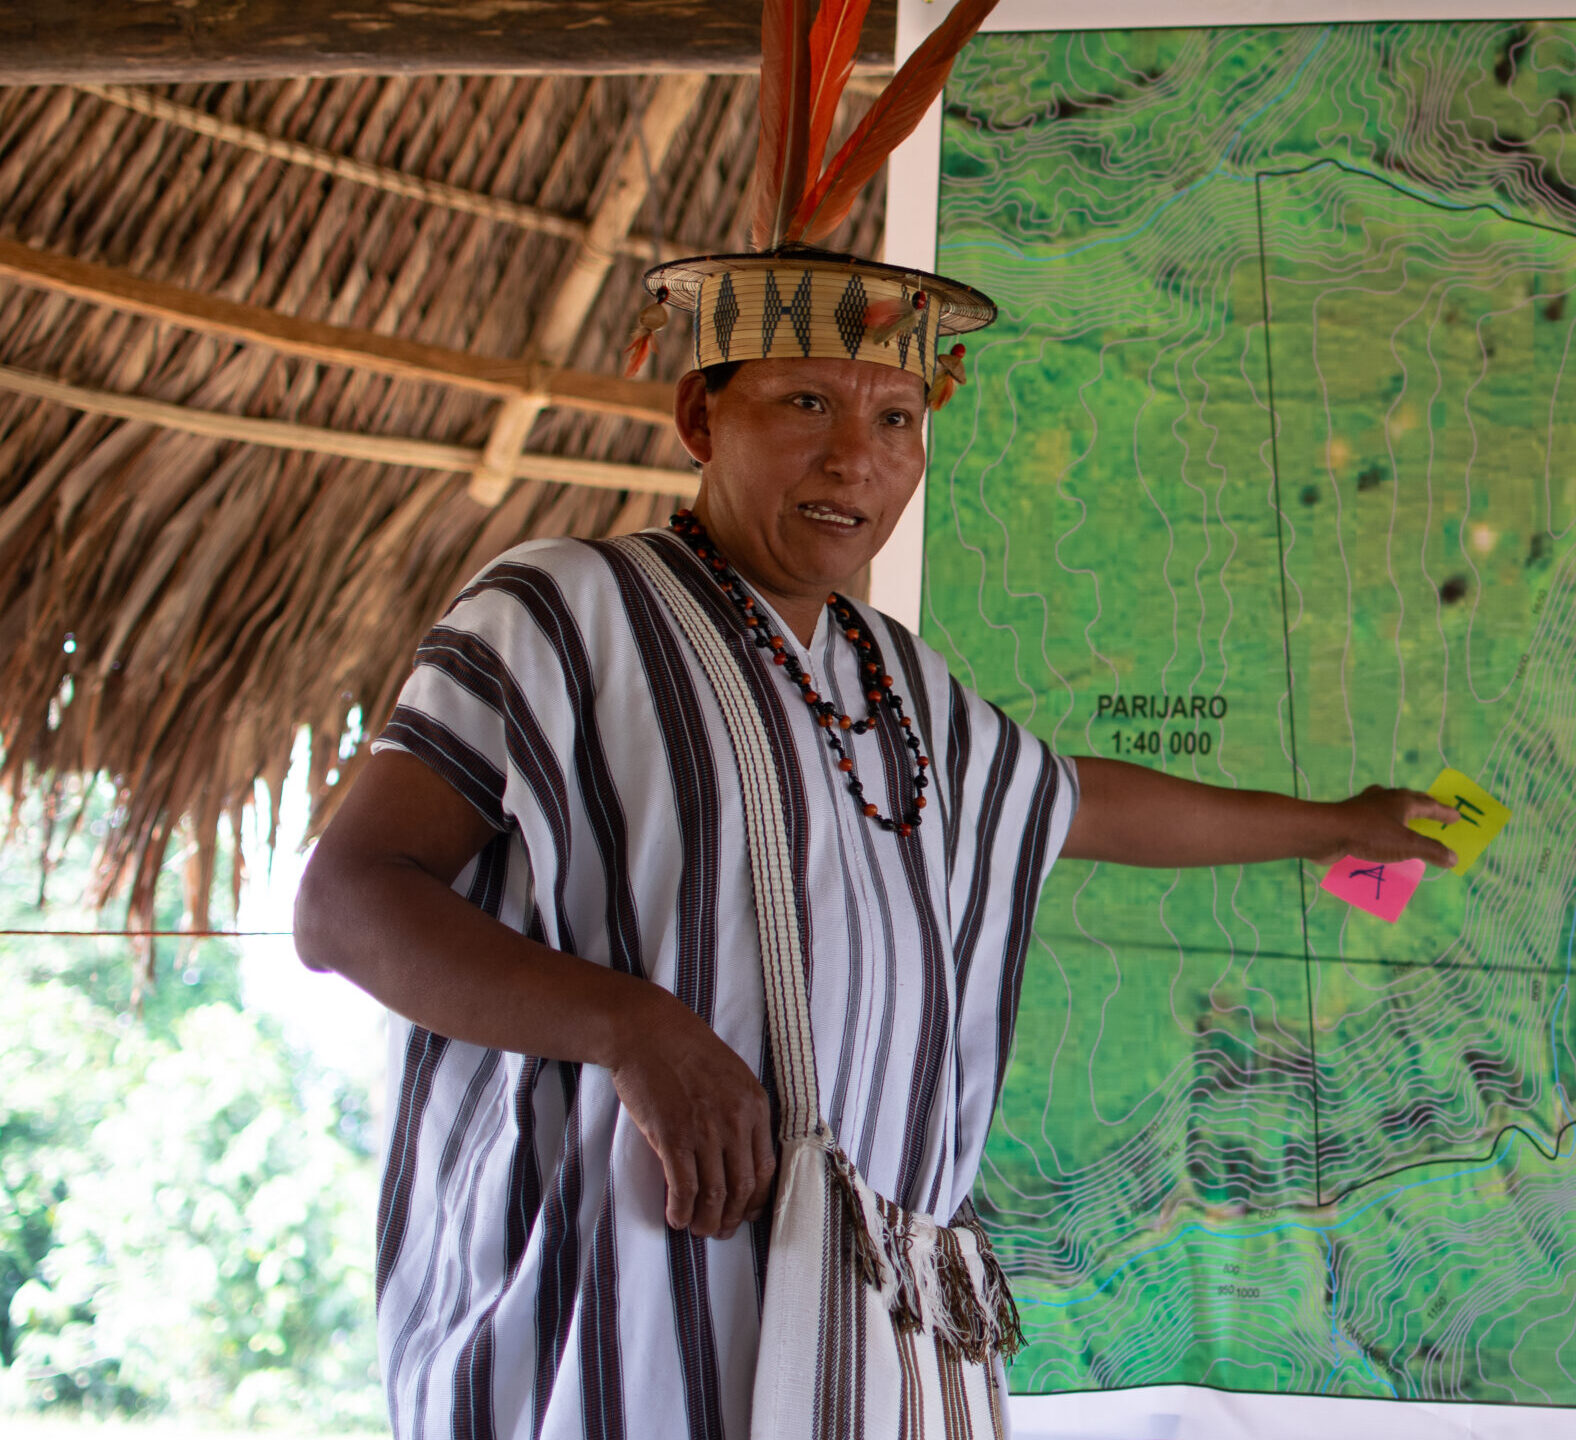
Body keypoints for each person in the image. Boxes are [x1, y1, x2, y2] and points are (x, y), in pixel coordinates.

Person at [293, 243, 1458, 1437]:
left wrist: (1341, 828)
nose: (856, 455)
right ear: (701, 414)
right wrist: (630, 1026)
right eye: (807, 403)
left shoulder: (897, 683)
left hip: (856, 1333)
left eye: (897, 416)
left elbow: (1078, 803)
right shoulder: (564, 607)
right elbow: (345, 904)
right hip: (610, 1304)